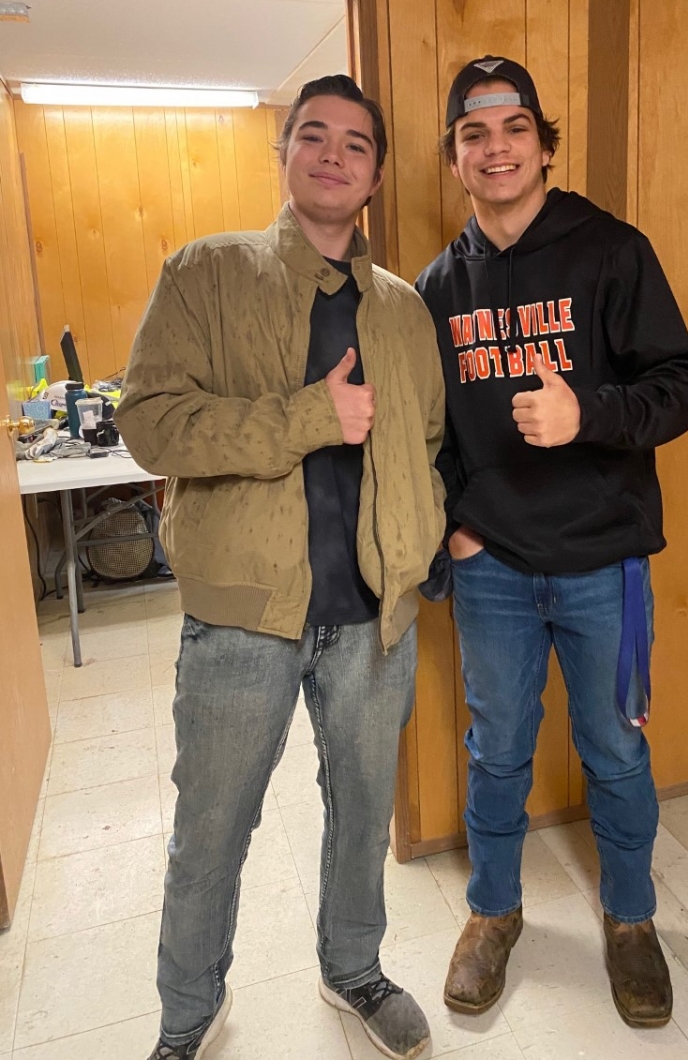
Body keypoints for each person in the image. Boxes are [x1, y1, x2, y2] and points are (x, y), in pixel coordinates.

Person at [117, 74, 445, 1060]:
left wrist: (422, 551)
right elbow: (147, 424)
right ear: (286, 153)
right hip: (241, 622)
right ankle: (187, 1017)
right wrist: (310, 417)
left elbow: (427, 443)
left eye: (355, 142)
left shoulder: (403, 309)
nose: (334, 153)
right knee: (211, 829)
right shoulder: (204, 274)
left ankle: (353, 969)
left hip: (372, 619)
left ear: (377, 174)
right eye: (314, 134)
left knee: (362, 811)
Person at [415, 56, 688, 1028]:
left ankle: (630, 923)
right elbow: (426, 434)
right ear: (456, 157)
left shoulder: (611, 251)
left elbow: (684, 385)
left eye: (512, 128)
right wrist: (452, 525)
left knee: (613, 751)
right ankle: (494, 913)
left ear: (544, 144)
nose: (494, 147)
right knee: (497, 750)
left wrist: (588, 412)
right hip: (491, 567)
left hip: (604, 563)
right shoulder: (437, 288)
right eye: (473, 132)